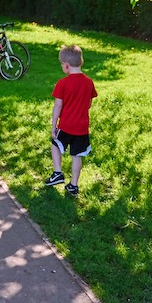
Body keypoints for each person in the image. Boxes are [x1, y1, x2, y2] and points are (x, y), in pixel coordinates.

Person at [45, 44, 97, 196]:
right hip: (82, 127)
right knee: (77, 155)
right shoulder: (89, 82)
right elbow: (89, 103)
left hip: (66, 125)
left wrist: (54, 125)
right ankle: (73, 185)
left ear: (66, 66)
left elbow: (58, 106)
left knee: (55, 144)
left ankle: (58, 173)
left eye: (62, 64)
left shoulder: (63, 83)